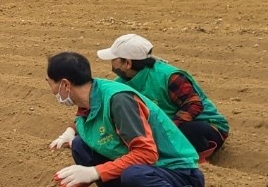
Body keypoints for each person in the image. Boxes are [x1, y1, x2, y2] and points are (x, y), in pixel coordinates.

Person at [44, 52, 219, 187]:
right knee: (81, 146)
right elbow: (84, 132)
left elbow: (146, 155)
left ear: (65, 85)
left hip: (178, 172)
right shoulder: (91, 98)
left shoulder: (119, 100)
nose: (50, 88)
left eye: (49, 82)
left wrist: (94, 172)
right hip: (149, 169)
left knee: (133, 175)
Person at [98, 34, 230, 161]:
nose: (111, 64)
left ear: (127, 63)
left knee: (188, 131)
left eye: (114, 59)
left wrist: (167, 130)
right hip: (165, 130)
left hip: (207, 127)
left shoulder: (168, 77)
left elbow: (194, 104)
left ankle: (196, 160)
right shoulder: (120, 83)